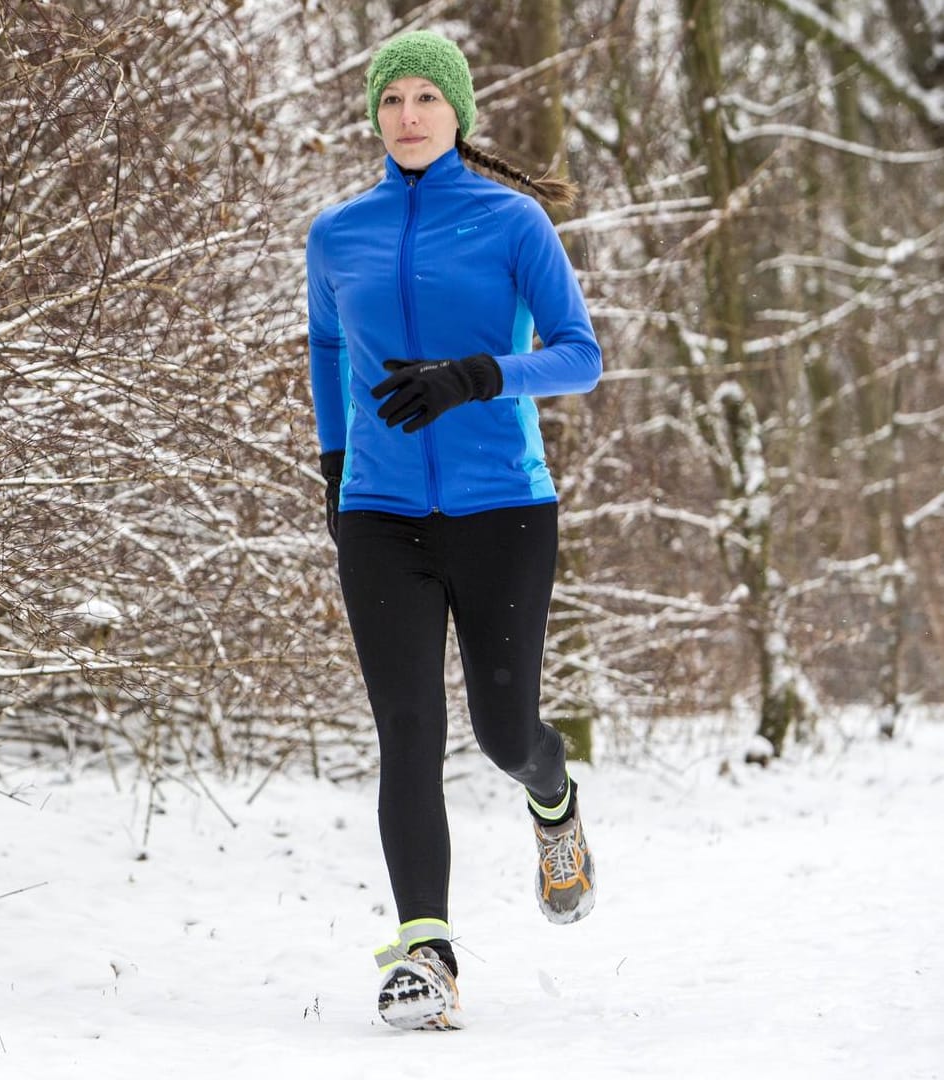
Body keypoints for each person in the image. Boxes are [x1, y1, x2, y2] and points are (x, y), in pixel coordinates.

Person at [304, 29, 601, 1031]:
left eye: (428, 98)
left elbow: (580, 356)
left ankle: (551, 797)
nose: (410, 115)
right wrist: (337, 467)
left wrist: (482, 375)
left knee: (501, 733)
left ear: (459, 113)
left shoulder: (511, 223)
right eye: (393, 100)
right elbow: (326, 346)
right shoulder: (337, 232)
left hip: (503, 514)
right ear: (376, 115)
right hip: (381, 520)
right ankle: (425, 953)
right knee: (407, 733)